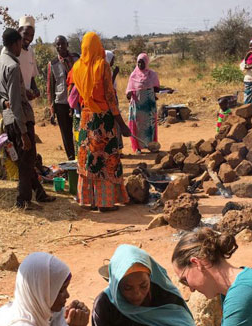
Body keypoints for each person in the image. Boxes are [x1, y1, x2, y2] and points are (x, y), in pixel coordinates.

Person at [67, 32, 132, 212]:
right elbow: (110, 98)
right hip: (103, 120)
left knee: (88, 159)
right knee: (106, 158)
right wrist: (122, 124)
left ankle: (90, 201)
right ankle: (105, 203)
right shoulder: (102, 65)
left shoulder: (77, 66)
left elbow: (75, 94)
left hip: (85, 119)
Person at [0, 28, 55, 209]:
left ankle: (40, 193)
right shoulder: (12, 67)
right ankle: (24, 200)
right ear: (15, 44)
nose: (22, 47)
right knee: (27, 161)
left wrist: (4, 103)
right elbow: (16, 103)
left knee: (25, 160)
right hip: (21, 120)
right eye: (20, 43)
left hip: (9, 119)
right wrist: (24, 132)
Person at [126, 53, 169, 153]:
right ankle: (138, 147)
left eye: (142, 62)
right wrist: (128, 94)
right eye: (138, 62)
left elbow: (156, 88)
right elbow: (129, 90)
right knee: (138, 125)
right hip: (138, 105)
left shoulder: (152, 74)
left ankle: (152, 145)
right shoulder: (133, 75)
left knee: (151, 125)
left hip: (149, 104)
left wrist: (167, 90)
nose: (140, 64)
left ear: (147, 62)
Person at [47, 35, 80, 160]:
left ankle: (81, 158)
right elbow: (50, 88)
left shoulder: (77, 59)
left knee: (79, 131)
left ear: (67, 44)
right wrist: (52, 110)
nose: (60, 46)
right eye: (57, 45)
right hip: (61, 103)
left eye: (62, 43)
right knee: (66, 134)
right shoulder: (53, 64)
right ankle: (71, 160)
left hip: (77, 102)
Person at [18, 16, 41, 101]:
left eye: (32, 35)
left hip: (27, 103)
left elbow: (31, 77)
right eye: (26, 34)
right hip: (13, 103)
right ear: (19, 32)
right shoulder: (9, 50)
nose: (29, 38)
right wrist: (23, 92)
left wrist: (35, 89)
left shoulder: (30, 50)